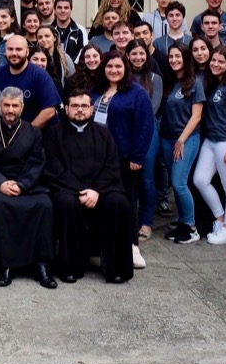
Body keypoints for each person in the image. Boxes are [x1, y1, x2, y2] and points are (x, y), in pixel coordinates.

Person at [44, 89, 136, 284]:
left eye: (84, 106)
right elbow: (54, 168)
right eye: (75, 106)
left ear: (92, 109)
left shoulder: (104, 133)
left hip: (100, 189)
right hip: (68, 189)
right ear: (66, 109)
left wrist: (96, 191)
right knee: (66, 204)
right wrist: (80, 191)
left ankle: (115, 268)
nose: (79, 110)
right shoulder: (54, 134)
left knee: (119, 203)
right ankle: (71, 267)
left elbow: (112, 167)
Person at [0, 87, 58, 289]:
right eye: (6, 105)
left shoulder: (33, 132)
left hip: (28, 183)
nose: (10, 110)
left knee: (44, 205)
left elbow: (38, 161)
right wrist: (0, 182)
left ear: (22, 108)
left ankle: (42, 265)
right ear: (0, 106)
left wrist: (22, 185)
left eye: (15, 105)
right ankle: (5, 266)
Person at [91, 51, 155, 269]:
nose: (114, 70)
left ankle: (132, 245)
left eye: (118, 67)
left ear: (125, 69)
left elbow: (145, 126)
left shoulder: (137, 93)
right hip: (99, 158)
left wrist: (137, 156)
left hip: (126, 157)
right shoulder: (97, 91)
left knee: (128, 201)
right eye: (109, 67)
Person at [192, 46, 226, 246]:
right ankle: (221, 219)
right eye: (213, 61)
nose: (215, 64)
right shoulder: (211, 83)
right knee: (200, 180)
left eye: (221, 62)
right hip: (211, 140)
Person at [159, 43, 205, 244]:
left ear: (186, 58)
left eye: (178, 56)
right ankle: (182, 224)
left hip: (186, 139)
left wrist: (181, 140)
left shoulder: (195, 82)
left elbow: (197, 116)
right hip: (167, 138)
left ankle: (192, 227)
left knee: (179, 183)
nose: (174, 60)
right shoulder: (170, 82)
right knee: (175, 184)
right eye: (171, 56)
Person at [125, 40, 162, 242]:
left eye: (141, 54)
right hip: (125, 133)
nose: (138, 57)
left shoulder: (155, 79)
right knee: (129, 179)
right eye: (134, 54)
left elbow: (151, 109)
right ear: (128, 56)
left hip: (148, 133)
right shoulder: (123, 78)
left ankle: (146, 222)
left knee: (146, 178)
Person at [0, 36, 60, 129]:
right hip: (5, 136)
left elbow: (49, 111)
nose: (14, 53)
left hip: (37, 137)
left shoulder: (40, 75)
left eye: (18, 49)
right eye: (10, 49)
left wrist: (26, 134)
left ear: (27, 52)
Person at [52, 0, 89, 65]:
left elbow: (83, 50)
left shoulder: (79, 29)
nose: (62, 10)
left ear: (71, 10)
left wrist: (71, 67)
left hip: (75, 71)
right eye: (59, 8)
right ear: (54, 10)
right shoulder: (49, 29)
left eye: (66, 8)